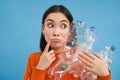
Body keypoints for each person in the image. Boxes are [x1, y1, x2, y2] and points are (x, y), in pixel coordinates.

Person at [23, 5, 111, 80]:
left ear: (70, 31)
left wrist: (104, 75)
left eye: (63, 26)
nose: (56, 33)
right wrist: (40, 68)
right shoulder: (34, 59)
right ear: (43, 29)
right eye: (50, 25)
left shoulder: (82, 58)